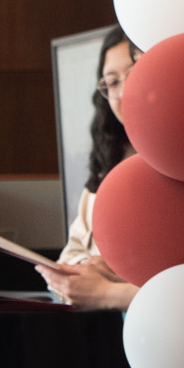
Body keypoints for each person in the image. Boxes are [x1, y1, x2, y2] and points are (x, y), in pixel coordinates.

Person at [36, 25, 141, 312]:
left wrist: (111, 281)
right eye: (112, 82)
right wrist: (88, 268)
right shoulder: (106, 164)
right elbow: (71, 252)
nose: (122, 93)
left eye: (133, 74)